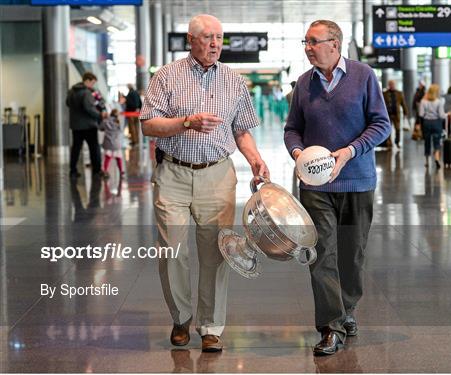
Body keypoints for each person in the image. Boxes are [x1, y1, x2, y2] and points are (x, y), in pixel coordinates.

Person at [139, 14, 269, 353]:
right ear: (190, 40)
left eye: (219, 38)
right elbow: (149, 126)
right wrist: (186, 122)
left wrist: (255, 159)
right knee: (172, 251)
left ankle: (211, 326)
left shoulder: (234, 80)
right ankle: (181, 318)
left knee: (216, 253)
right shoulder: (166, 76)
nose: (215, 44)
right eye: (208, 37)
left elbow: (242, 130)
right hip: (173, 174)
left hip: (218, 174)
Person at [284, 20, 391, 356]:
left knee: (352, 254)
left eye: (313, 42)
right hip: (316, 186)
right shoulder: (303, 84)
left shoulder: (363, 76)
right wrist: (299, 153)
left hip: (357, 181)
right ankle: (330, 327)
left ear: (335, 43)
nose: (308, 48)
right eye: (306, 42)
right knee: (322, 254)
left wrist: (349, 152)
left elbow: (382, 124)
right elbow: (292, 130)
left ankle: (347, 309)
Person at [66, 71, 106, 179]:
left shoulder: (72, 91)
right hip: (88, 126)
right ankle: (97, 171)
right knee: (94, 148)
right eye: (92, 83)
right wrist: (100, 115)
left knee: (76, 148)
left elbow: (67, 103)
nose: (92, 85)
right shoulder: (86, 92)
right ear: (87, 80)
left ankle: (73, 170)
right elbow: (89, 108)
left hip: (76, 126)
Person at [418, 84, 446, 169]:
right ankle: (437, 158)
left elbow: (421, 114)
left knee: (427, 142)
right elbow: (441, 115)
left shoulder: (423, 101)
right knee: (437, 141)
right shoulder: (438, 102)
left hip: (426, 123)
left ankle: (427, 161)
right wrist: (446, 114)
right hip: (436, 123)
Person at [382, 80, 409, 148]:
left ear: (395, 85)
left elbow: (403, 103)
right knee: (388, 129)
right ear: (388, 85)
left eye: (393, 84)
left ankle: (397, 142)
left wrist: (406, 112)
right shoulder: (384, 93)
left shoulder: (399, 93)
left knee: (398, 129)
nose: (391, 85)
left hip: (396, 115)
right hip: (387, 115)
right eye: (390, 84)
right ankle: (389, 143)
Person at [99, 109, 124, 178]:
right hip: (116, 143)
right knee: (119, 158)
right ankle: (121, 171)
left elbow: (100, 128)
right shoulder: (119, 121)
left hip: (108, 143)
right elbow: (121, 130)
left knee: (107, 157)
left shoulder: (106, 121)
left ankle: (105, 170)